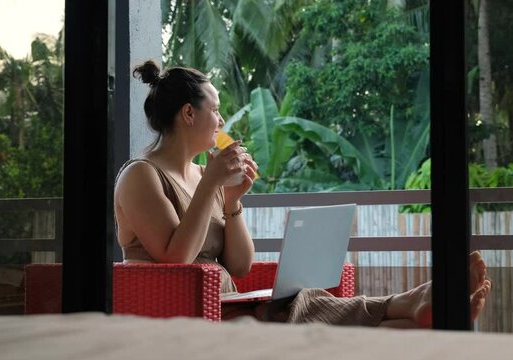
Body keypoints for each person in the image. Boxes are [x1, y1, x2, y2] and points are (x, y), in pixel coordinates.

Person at [114, 60, 492, 328]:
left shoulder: (202, 174)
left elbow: (240, 267)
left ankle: (417, 313)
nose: (222, 121)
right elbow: (175, 259)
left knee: (300, 304)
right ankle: (411, 305)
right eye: (216, 110)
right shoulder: (141, 176)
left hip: (224, 302)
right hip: (186, 312)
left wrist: (232, 203)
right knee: (304, 310)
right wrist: (213, 183)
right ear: (188, 114)